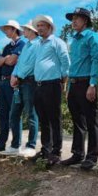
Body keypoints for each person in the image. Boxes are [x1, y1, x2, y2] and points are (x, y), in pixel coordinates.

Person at [61, 8, 98, 170]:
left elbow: (96, 59)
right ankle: (78, 153)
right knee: (78, 120)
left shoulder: (92, 37)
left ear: (85, 20)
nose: (73, 21)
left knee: (92, 120)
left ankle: (92, 156)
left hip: (87, 82)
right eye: (72, 18)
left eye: (77, 18)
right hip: (74, 83)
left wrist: (92, 84)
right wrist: (68, 86)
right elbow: (73, 64)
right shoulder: (74, 40)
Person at [30, 15, 70, 166]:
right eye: (38, 26)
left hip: (52, 84)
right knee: (43, 119)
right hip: (38, 85)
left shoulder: (57, 42)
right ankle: (46, 150)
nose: (40, 28)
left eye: (43, 25)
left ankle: (56, 151)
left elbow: (65, 60)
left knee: (54, 118)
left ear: (50, 27)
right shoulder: (38, 45)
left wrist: (63, 78)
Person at [0, 20, 26, 152]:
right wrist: (6, 58)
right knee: (4, 114)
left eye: (7, 29)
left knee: (15, 114)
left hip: (14, 83)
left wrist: (6, 59)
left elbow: (12, 61)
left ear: (14, 29)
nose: (5, 32)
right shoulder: (7, 47)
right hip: (3, 82)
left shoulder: (22, 44)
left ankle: (16, 144)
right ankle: (1, 143)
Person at [9, 22, 41, 156]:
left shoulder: (38, 44)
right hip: (20, 82)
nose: (23, 31)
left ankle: (31, 145)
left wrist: (18, 76)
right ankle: (15, 145)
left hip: (30, 82)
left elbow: (31, 64)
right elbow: (19, 63)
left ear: (32, 31)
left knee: (31, 114)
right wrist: (13, 75)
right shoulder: (26, 45)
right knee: (14, 114)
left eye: (26, 29)